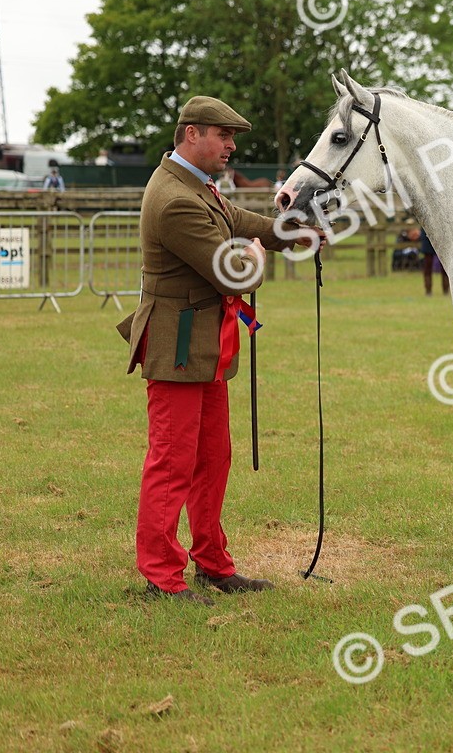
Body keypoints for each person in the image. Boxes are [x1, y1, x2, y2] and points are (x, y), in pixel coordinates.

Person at [116, 96, 324, 607]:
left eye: (233, 138)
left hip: (205, 343)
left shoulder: (195, 185)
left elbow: (238, 219)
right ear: (192, 135)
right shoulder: (175, 199)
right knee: (172, 461)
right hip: (178, 345)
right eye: (223, 136)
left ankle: (212, 563)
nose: (231, 146)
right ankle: (163, 577)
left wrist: (291, 232)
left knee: (213, 458)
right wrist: (256, 255)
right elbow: (236, 270)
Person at [421, 228, 449, 296]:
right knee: (428, 265)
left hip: (441, 234)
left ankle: (446, 291)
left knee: (444, 266)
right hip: (427, 233)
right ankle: (428, 291)